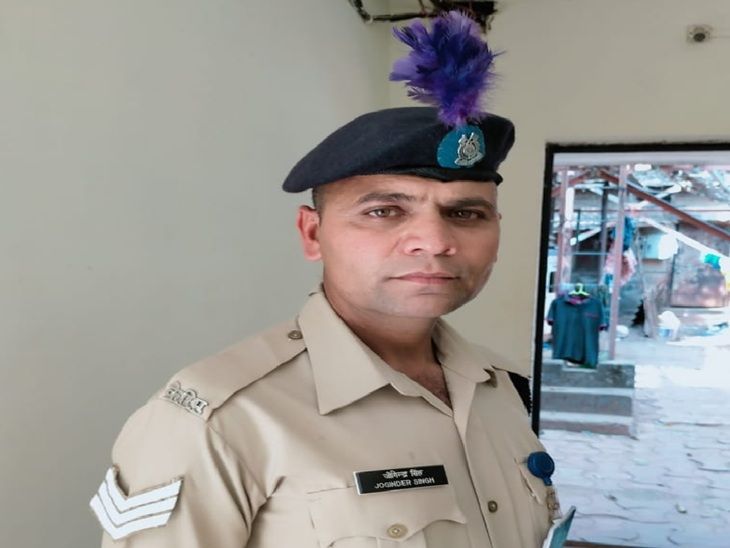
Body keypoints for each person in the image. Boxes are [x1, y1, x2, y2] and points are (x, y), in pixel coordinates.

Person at [90, 12, 566, 547]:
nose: (434, 241)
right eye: (384, 211)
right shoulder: (220, 420)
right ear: (313, 233)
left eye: (465, 213)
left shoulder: (501, 387)